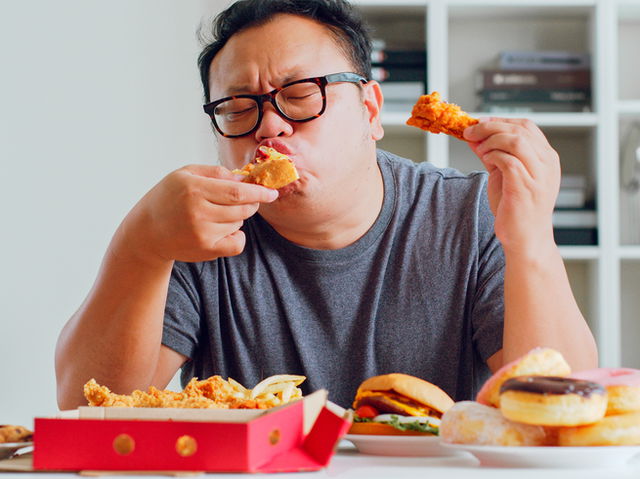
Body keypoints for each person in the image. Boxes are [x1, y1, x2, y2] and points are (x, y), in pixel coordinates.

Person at [55, 0, 597, 410]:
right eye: (239, 107)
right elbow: (86, 408)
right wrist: (141, 244)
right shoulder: (194, 231)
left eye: (301, 93)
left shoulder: (470, 213)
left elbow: (563, 408)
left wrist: (531, 241)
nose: (270, 126)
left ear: (370, 108)